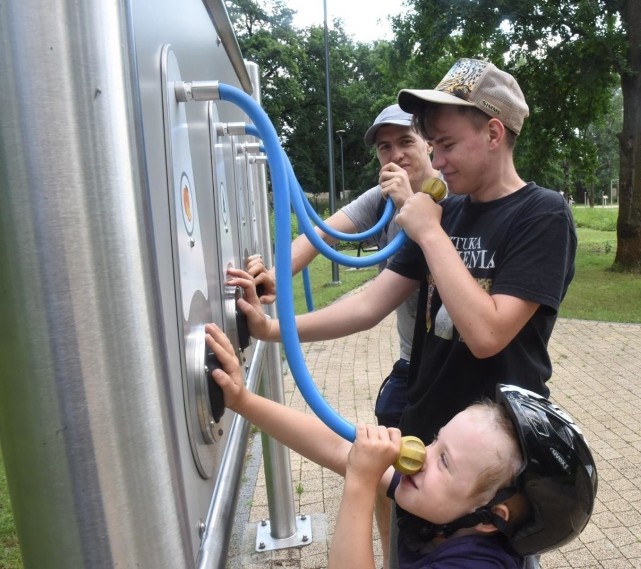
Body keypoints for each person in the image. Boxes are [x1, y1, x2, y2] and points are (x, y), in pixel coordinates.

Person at [229, 58, 576, 567]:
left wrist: (430, 232)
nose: (437, 158)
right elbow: (370, 304)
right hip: (426, 440)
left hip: (489, 467)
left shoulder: (540, 215)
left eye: (447, 144)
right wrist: (275, 329)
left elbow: (488, 334)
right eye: (432, 145)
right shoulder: (447, 210)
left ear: (495, 133)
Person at [204, 322, 597, 569]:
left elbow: (355, 471)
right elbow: (339, 450)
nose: (423, 455)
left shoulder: (475, 563)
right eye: (436, 440)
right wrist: (242, 401)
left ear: (487, 516)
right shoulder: (442, 502)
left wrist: (360, 486)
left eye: (445, 461)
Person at [245, 103, 441, 560]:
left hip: (455, 365)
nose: (394, 155)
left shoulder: (448, 196)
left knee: (444, 491)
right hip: (413, 364)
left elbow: (371, 306)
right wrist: (272, 275)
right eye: (384, 147)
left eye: (406, 142)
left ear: (429, 142)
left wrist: (410, 204)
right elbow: (321, 235)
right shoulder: (382, 198)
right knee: (386, 479)